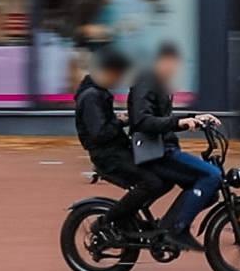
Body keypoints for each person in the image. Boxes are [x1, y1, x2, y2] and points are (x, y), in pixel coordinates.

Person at [129, 43, 222, 252]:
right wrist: (179, 123)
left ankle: (168, 227)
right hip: (156, 154)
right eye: (174, 64)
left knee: (210, 189)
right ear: (164, 61)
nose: (175, 69)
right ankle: (176, 229)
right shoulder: (146, 81)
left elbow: (166, 120)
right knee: (212, 175)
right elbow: (142, 121)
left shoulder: (159, 84)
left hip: (164, 150)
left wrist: (197, 118)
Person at [73, 49, 170, 232]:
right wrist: (120, 121)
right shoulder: (92, 96)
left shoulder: (97, 93)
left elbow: (101, 125)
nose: (118, 81)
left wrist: (118, 119)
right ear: (109, 72)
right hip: (109, 156)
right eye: (118, 75)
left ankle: (131, 215)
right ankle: (107, 222)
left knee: (162, 176)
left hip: (115, 151)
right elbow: (99, 133)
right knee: (151, 182)